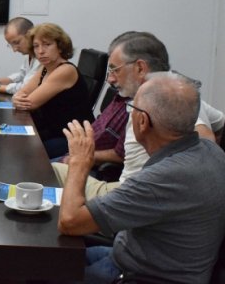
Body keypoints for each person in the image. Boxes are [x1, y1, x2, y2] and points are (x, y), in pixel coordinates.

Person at [58, 72, 225, 283]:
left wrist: (79, 163)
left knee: (33, 272)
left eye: (132, 108)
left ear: (142, 121)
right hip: (129, 257)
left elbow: (70, 222)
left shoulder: (164, 178)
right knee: (43, 262)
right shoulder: (211, 150)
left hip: (140, 275)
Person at [53, 31, 223, 199]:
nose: (110, 80)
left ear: (140, 68)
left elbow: (206, 143)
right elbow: (220, 122)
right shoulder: (170, 88)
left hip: (133, 194)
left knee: (51, 173)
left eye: (114, 70)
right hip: (134, 189)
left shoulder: (169, 98)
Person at [12, 23, 94, 158]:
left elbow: (29, 103)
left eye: (47, 45)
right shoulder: (45, 67)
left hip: (71, 137)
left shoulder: (65, 70)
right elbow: (22, 93)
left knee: (23, 151)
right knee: (16, 145)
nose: (40, 51)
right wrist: (16, 98)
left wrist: (18, 99)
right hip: (51, 131)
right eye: (36, 46)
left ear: (60, 46)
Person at [0, 17, 41, 94]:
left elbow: (26, 87)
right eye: (11, 45)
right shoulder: (29, 54)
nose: (14, 50)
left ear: (30, 34)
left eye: (17, 42)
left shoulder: (42, 57)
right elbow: (22, 75)